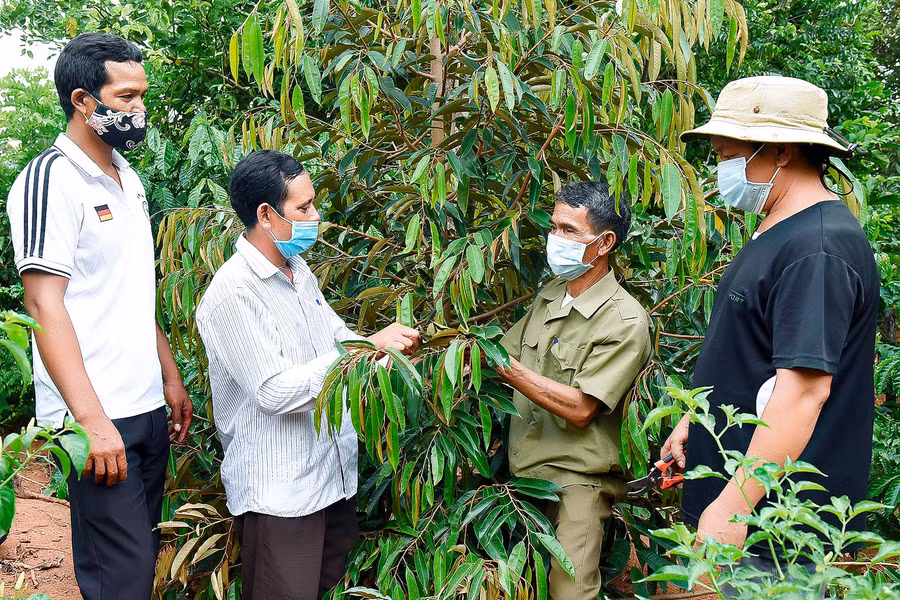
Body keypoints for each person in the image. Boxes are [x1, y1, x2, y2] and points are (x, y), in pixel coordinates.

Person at [662, 76, 879, 585]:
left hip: (780, 526)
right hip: (749, 503)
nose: (720, 170)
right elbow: (752, 354)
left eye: (726, 154)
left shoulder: (817, 250)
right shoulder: (778, 230)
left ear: (780, 150)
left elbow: (803, 394)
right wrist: (696, 422)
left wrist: (734, 505)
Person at [5, 33, 193, 599]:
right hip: (94, 420)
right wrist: (88, 422)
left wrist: (170, 376)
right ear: (83, 100)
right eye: (127, 97)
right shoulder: (50, 180)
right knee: (123, 578)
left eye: (141, 96)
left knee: (139, 564)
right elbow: (43, 304)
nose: (140, 110)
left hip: (144, 406)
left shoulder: (126, 179)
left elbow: (134, 291)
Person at [196, 150, 421, 600]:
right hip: (282, 494)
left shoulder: (298, 271)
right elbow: (275, 392)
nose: (316, 216)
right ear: (266, 214)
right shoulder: (233, 293)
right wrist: (367, 348)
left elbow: (337, 338)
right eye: (304, 208)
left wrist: (386, 352)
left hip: (329, 479)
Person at [498, 181, 651, 599]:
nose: (555, 239)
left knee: (570, 592)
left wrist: (508, 370)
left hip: (577, 482)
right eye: (553, 227)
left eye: (568, 230)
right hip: (525, 475)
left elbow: (583, 408)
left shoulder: (624, 320)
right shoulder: (551, 296)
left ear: (604, 243)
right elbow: (498, 354)